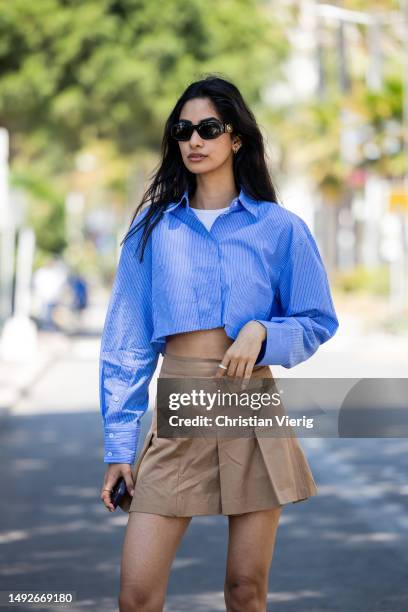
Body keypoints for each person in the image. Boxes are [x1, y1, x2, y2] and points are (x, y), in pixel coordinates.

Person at [99, 75, 339, 611]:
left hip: (249, 405)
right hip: (180, 407)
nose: (194, 141)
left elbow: (317, 320)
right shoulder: (153, 230)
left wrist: (262, 333)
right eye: (183, 130)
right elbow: (127, 343)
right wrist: (119, 445)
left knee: (245, 590)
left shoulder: (280, 229)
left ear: (235, 139)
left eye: (208, 128)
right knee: (136, 594)